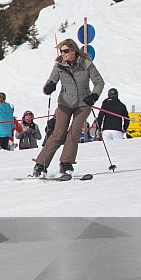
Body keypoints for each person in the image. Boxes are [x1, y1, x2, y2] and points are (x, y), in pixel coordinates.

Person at [32, 38, 105, 178]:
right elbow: (51, 80)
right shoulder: (59, 65)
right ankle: (40, 164)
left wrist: (94, 95)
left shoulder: (86, 63)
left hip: (83, 103)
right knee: (58, 133)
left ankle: (66, 163)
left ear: (73, 51)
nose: (63, 53)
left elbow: (99, 82)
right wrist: (50, 86)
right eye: (61, 51)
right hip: (65, 103)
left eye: (65, 51)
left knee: (74, 131)